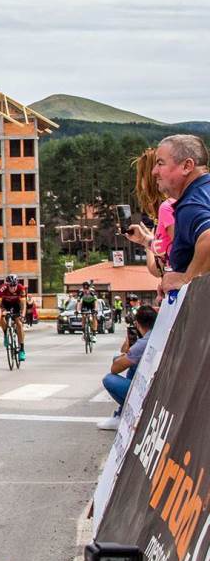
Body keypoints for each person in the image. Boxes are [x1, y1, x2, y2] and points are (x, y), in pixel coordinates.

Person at [147, 135, 210, 300]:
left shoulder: (191, 205)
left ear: (187, 166)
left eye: (160, 163)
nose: (154, 172)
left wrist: (186, 279)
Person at [97, 305, 158, 430]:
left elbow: (115, 368)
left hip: (149, 393)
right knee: (134, 365)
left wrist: (127, 343)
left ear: (137, 324)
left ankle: (122, 415)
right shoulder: (159, 335)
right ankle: (121, 414)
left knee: (109, 379)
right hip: (159, 387)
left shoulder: (143, 343)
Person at [126, 147, 175, 279]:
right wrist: (146, 240)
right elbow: (159, 269)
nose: (140, 184)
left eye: (142, 175)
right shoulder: (160, 216)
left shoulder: (169, 208)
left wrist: (148, 241)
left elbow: (181, 256)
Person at [0, 274, 28, 361]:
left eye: (14, 285)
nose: (13, 288)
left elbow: (23, 304)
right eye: (11, 286)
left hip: (16, 305)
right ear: (7, 285)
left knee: (19, 323)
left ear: (17, 284)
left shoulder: (21, 288)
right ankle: (6, 334)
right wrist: (0, 313)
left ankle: (21, 349)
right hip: (5, 304)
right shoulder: (2, 288)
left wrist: (23, 315)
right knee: (1, 317)